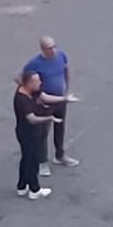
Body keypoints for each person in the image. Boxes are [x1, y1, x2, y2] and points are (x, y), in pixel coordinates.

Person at [24, 35, 79, 177]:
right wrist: (35, 95)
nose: (53, 50)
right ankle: (42, 162)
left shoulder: (61, 55)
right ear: (42, 49)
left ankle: (60, 155)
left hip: (60, 99)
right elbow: (20, 78)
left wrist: (67, 90)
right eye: (49, 48)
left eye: (54, 46)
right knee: (43, 133)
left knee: (60, 127)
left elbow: (66, 69)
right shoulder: (35, 63)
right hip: (45, 103)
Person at [14, 71, 69, 199]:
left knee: (26, 159)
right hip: (28, 133)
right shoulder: (22, 100)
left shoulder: (32, 90)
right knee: (32, 161)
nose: (40, 83)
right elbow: (31, 118)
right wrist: (49, 118)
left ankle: (22, 186)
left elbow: (45, 97)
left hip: (30, 132)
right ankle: (34, 189)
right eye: (37, 81)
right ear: (28, 83)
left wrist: (64, 99)